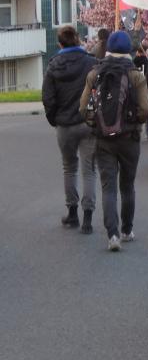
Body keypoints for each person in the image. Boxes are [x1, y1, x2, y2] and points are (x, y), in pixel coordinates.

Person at [79, 31, 148, 251]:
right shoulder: (136, 75)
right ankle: (127, 229)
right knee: (127, 186)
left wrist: (96, 123)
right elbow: (146, 108)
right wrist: (134, 122)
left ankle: (112, 235)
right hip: (129, 138)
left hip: (103, 140)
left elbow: (83, 108)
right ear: (129, 50)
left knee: (108, 188)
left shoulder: (95, 74)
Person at [42, 25, 98, 233]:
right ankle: (88, 218)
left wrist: (54, 119)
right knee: (89, 170)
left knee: (69, 168)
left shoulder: (53, 65)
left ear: (60, 43)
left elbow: (47, 97)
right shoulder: (91, 63)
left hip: (65, 124)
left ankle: (72, 212)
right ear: (78, 40)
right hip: (88, 122)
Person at [133, 46, 148, 141]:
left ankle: (136, 131)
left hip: (135, 89)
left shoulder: (133, 61)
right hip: (146, 89)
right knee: (147, 110)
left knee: (135, 110)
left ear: (137, 52)